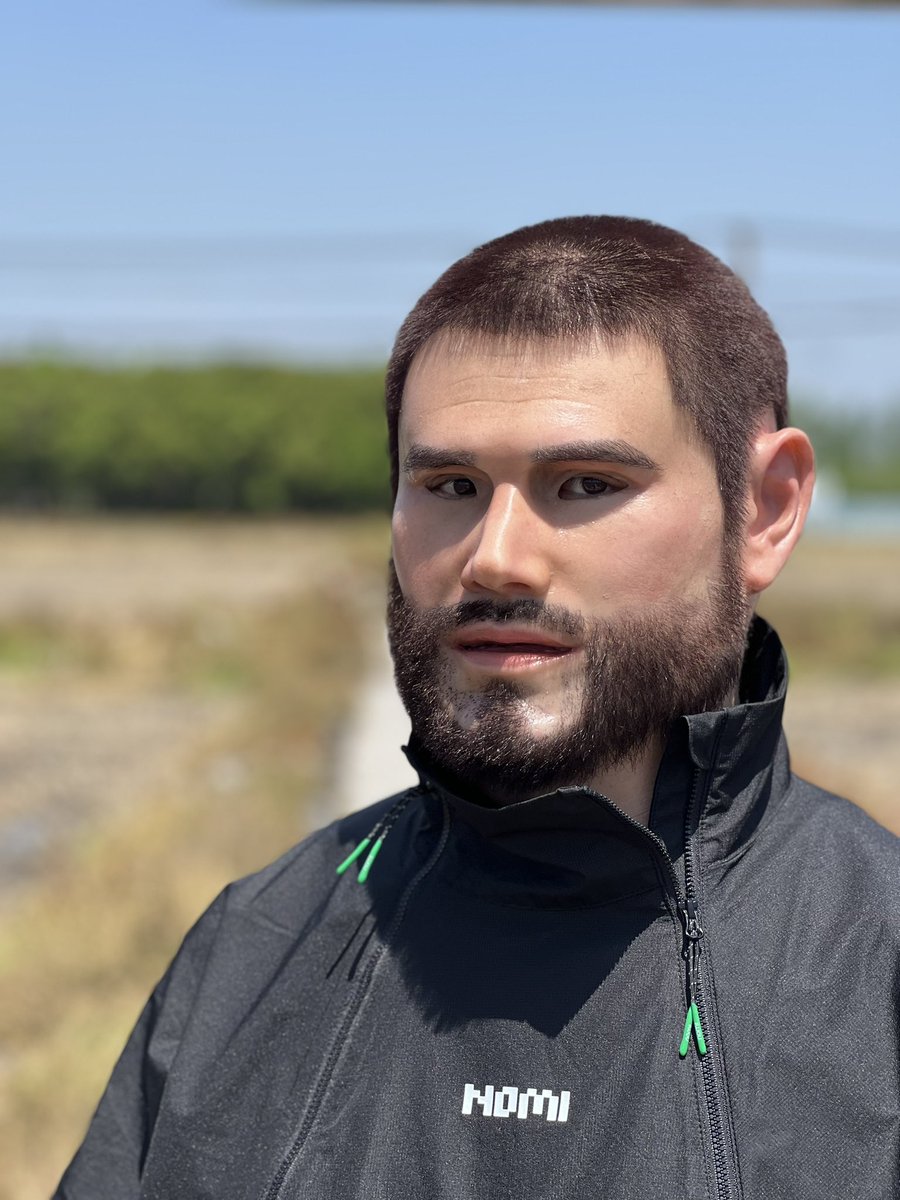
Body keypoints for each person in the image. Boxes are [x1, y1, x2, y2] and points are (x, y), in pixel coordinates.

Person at [55, 217, 900, 1200]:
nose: (495, 556)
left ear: (765, 511)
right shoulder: (251, 947)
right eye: (450, 484)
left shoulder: (873, 976)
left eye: (585, 484)